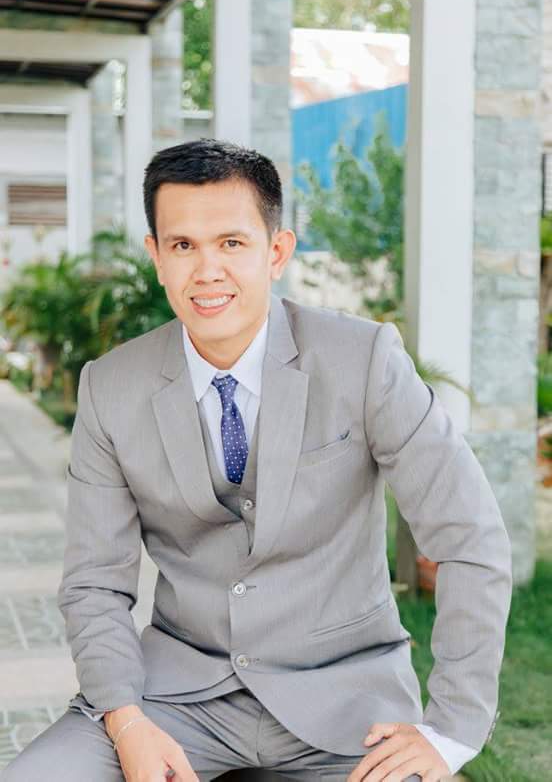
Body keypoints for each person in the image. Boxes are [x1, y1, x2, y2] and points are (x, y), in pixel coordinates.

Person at [1, 139, 512, 782]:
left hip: (348, 703)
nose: (207, 270)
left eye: (231, 243)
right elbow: (95, 583)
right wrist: (126, 720)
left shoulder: (364, 360)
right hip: (175, 698)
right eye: (183, 245)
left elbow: (469, 536)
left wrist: (452, 728)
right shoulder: (110, 387)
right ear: (156, 257)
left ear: (276, 252)